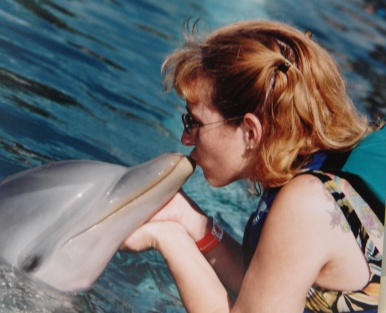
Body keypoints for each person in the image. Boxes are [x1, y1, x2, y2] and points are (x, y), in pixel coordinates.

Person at [120, 20, 385, 313]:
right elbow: (268, 286)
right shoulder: (314, 164)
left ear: (250, 132)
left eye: (194, 122)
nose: (185, 138)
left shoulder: (309, 202)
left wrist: (170, 240)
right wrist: (191, 221)